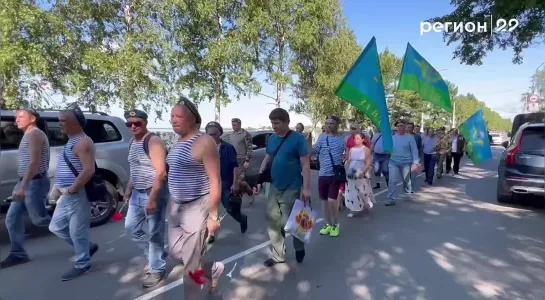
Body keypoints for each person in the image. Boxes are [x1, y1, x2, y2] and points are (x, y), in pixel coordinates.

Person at [166, 96, 224, 298]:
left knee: (190, 267)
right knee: (174, 253)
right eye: (172, 116)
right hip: (175, 207)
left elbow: (215, 180)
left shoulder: (204, 141)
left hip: (196, 207)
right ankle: (212, 270)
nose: (173, 120)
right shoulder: (177, 141)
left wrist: (213, 216)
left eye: (179, 116)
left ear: (193, 119)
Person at [48, 106, 99, 281]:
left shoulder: (83, 142)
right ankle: (85, 247)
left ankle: (82, 264)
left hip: (75, 193)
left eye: (63, 120)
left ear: (76, 123)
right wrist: (56, 189)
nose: (59, 124)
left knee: (77, 231)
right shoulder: (72, 140)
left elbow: (88, 170)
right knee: (55, 227)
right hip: (67, 193)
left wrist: (73, 188)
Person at [256, 108, 311, 267]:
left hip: (292, 187)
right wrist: (260, 178)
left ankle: (299, 246)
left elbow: (306, 164)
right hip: (274, 186)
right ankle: (278, 255)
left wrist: (306, 188)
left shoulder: (298, 139)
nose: (274, 126)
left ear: (287, 122)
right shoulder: (272, 139)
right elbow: (268, 158)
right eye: (272, 123)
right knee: (273, 220)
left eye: (277, 123)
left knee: (291, 222)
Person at [123, 109, 169, 288]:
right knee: (130, 228)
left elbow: (161, 173)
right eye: (129, 123)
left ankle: (158, 269)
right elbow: (134, 169)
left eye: (137, 123)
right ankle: (154, 256)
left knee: (155, 233)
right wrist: (128, 188)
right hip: (137, 193)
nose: (133, 126)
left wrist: (152, 199)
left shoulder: (153, 141)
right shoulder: (131, 142)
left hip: (152, 192)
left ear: (145, 122)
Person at [1, 108, 51, 269]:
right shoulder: (27, 135)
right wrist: (20, 185)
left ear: (33, 118)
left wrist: (23, 186)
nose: (16, 120)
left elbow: (34, 163)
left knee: (40, 219)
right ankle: (18, 254)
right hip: (26, 182)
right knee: (12, 218)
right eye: (16, 117)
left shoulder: (35, 134)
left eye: (20, 116)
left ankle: (80, 237)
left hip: (34, 183)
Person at [205, 121, 248, 244]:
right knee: (210, 210)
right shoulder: (205, 148)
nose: (212, 137)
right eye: (209, 135)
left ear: (220, 134)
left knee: (230, 209)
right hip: (209, 185)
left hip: (225, 183)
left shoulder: (228, 148)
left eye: (215, 134)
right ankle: (211, 234)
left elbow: (234, 167)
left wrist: (235, 183)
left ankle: (242, 219)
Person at [312, 116, 345, 237]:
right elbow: (313, 151)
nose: (328, 125)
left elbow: (348, 154)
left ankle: (335, 224)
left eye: (331, 123)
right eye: (327, 123)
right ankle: (327, 224)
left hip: (334, 175)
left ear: (337, 125)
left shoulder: (342, 140)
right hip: (322, 174)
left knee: (332, 200)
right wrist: (307, 144)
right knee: (324, 201)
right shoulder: (322, 137)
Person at [385, 120, 420, 206]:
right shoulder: (392, 137)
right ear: (396, 127)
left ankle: (407, 194)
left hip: (406, 163)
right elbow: (389, 149)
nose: (400, 127)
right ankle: (391, 199)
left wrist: (415, 162)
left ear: (405, 128)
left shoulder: (410, 137)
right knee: (392, 180)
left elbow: (414, 150)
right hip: (393, 162)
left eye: (402, 126)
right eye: (399, 126)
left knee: (406, 180)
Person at [344, 133, 375, 217]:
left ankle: (367, 204)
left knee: (363, 191)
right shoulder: (351, 149)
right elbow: (349, 161)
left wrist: (364, 172)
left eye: (358, 138)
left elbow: (368, 163)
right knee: (351, 192)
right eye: (355, 138)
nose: (356, 140)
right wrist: (346, 170)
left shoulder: (366, 149)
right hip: (351, 172)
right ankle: (353, 209)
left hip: (361, 172)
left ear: (363, 140)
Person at [222, 118, 254, 199]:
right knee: (234, 179)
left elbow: (249, 148)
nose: (233, 127)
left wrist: (247, 160)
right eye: (232, 125)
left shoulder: (245, 134)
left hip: (241, 160)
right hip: (232, 159)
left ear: (239, 124)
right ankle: (236, 198)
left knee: (240, 180)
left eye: (235, 125)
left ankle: (250, 193)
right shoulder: (230, 134)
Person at [405, 122, 422, 192]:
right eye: (408, 127)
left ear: (413, 128)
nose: (409, 129)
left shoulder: (417, 137)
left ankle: (411, 188)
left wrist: (420, 157)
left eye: (410, 127)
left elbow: (420, 147)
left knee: (413, 174)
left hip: (414, 158)